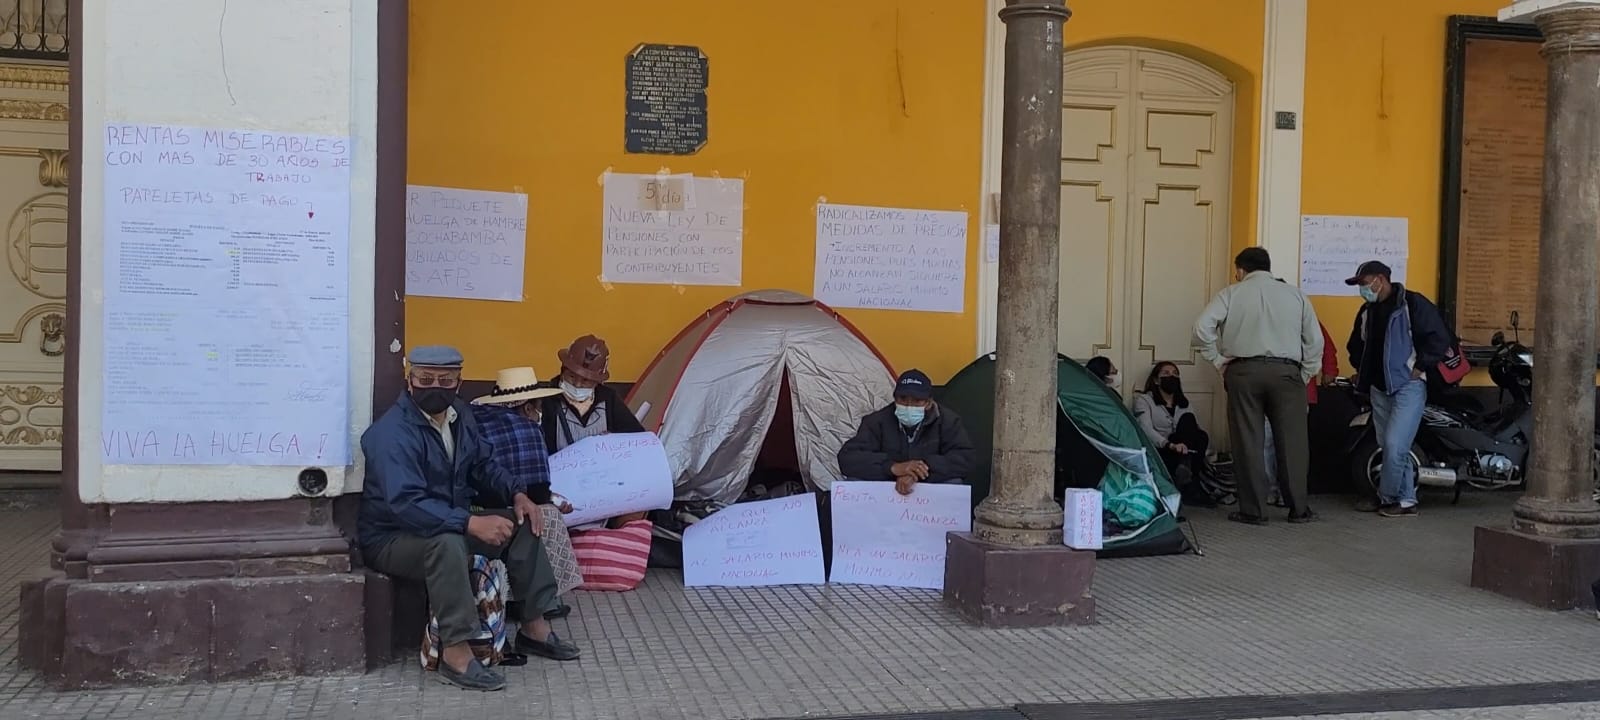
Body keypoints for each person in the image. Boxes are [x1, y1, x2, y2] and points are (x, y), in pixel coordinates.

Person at [359, 346, 580, 692]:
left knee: (524, 522)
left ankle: (535, 627)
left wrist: (517, 494)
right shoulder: (391, 433)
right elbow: (406, 504)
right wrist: (468, 523)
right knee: (446, 545)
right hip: (393, 537)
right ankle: (456, 652)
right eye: (425, 379)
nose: (435, 387)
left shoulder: (459, 415)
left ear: (459, 382)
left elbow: (483, 464)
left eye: (445, 380)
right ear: (410, 380)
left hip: (449, 520)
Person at [1194, 247, 1324, 525]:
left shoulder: (1231, 293)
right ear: (1268, 267)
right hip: (1287, 372)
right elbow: (1315, 340)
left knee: (1247, 441)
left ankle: (1253, 510)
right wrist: (1305, 374)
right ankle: (1299, 508)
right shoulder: (1296, 294)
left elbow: (1201, 328)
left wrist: (1218, 360)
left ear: (1241, 270)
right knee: (1293, 443)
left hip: (1244, 371)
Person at [471, 366, 582, 617]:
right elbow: (538, 494)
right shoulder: (528, 430)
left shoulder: (477, 420)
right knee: (546, 516)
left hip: (472, 506)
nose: (539, 413)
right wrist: (553, 501)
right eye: (539, 407)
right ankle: (541, 602)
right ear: (529, 408)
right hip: (505, 510)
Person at [1345, 260, 1451, 517]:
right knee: (1392, 446)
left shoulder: (1413, 304)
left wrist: (1420, 367)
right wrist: (1362, 369)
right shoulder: (1367, 311)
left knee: (1394, 445)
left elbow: (1439, 337)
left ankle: (1388, 498)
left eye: (1363, 283)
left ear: (1380, 280)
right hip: (1378, 388)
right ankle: (1406, 500)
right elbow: (1355, 346)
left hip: (1408, 387)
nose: (1362, 289)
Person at [838, 369, 976, 495]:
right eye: (903, 399)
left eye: (917, 401)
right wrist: (892, 468)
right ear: (895, 399)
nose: (909, 406)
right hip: (886, 490)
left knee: (954, 483)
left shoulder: (947, 421)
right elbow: (847, 458)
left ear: (928, 403)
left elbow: (964, 459)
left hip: (928, 490)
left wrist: (918, 471)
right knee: (852, 481)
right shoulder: (876, 421)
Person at [537, 335, 647, 453]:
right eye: (572, 376)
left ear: (597, 381)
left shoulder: (608, 398)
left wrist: (615, 438)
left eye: (585, 380)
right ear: (563, 371)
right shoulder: (547, 400)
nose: (577, 384)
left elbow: (635, 434)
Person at [1131, 361, 1214, 507]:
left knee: (1198, 432)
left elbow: (1193, 428)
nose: (1172, 376)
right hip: (1163, 448)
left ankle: (1186, 470)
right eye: (1166, 373)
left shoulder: (1184, 403)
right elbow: (1145, 429)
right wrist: (1169, 444)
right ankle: (1189, 483)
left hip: (1184, 448)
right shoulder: (1144, 400)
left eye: (1175, 374)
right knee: (1182, 443)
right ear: (1156, 380)